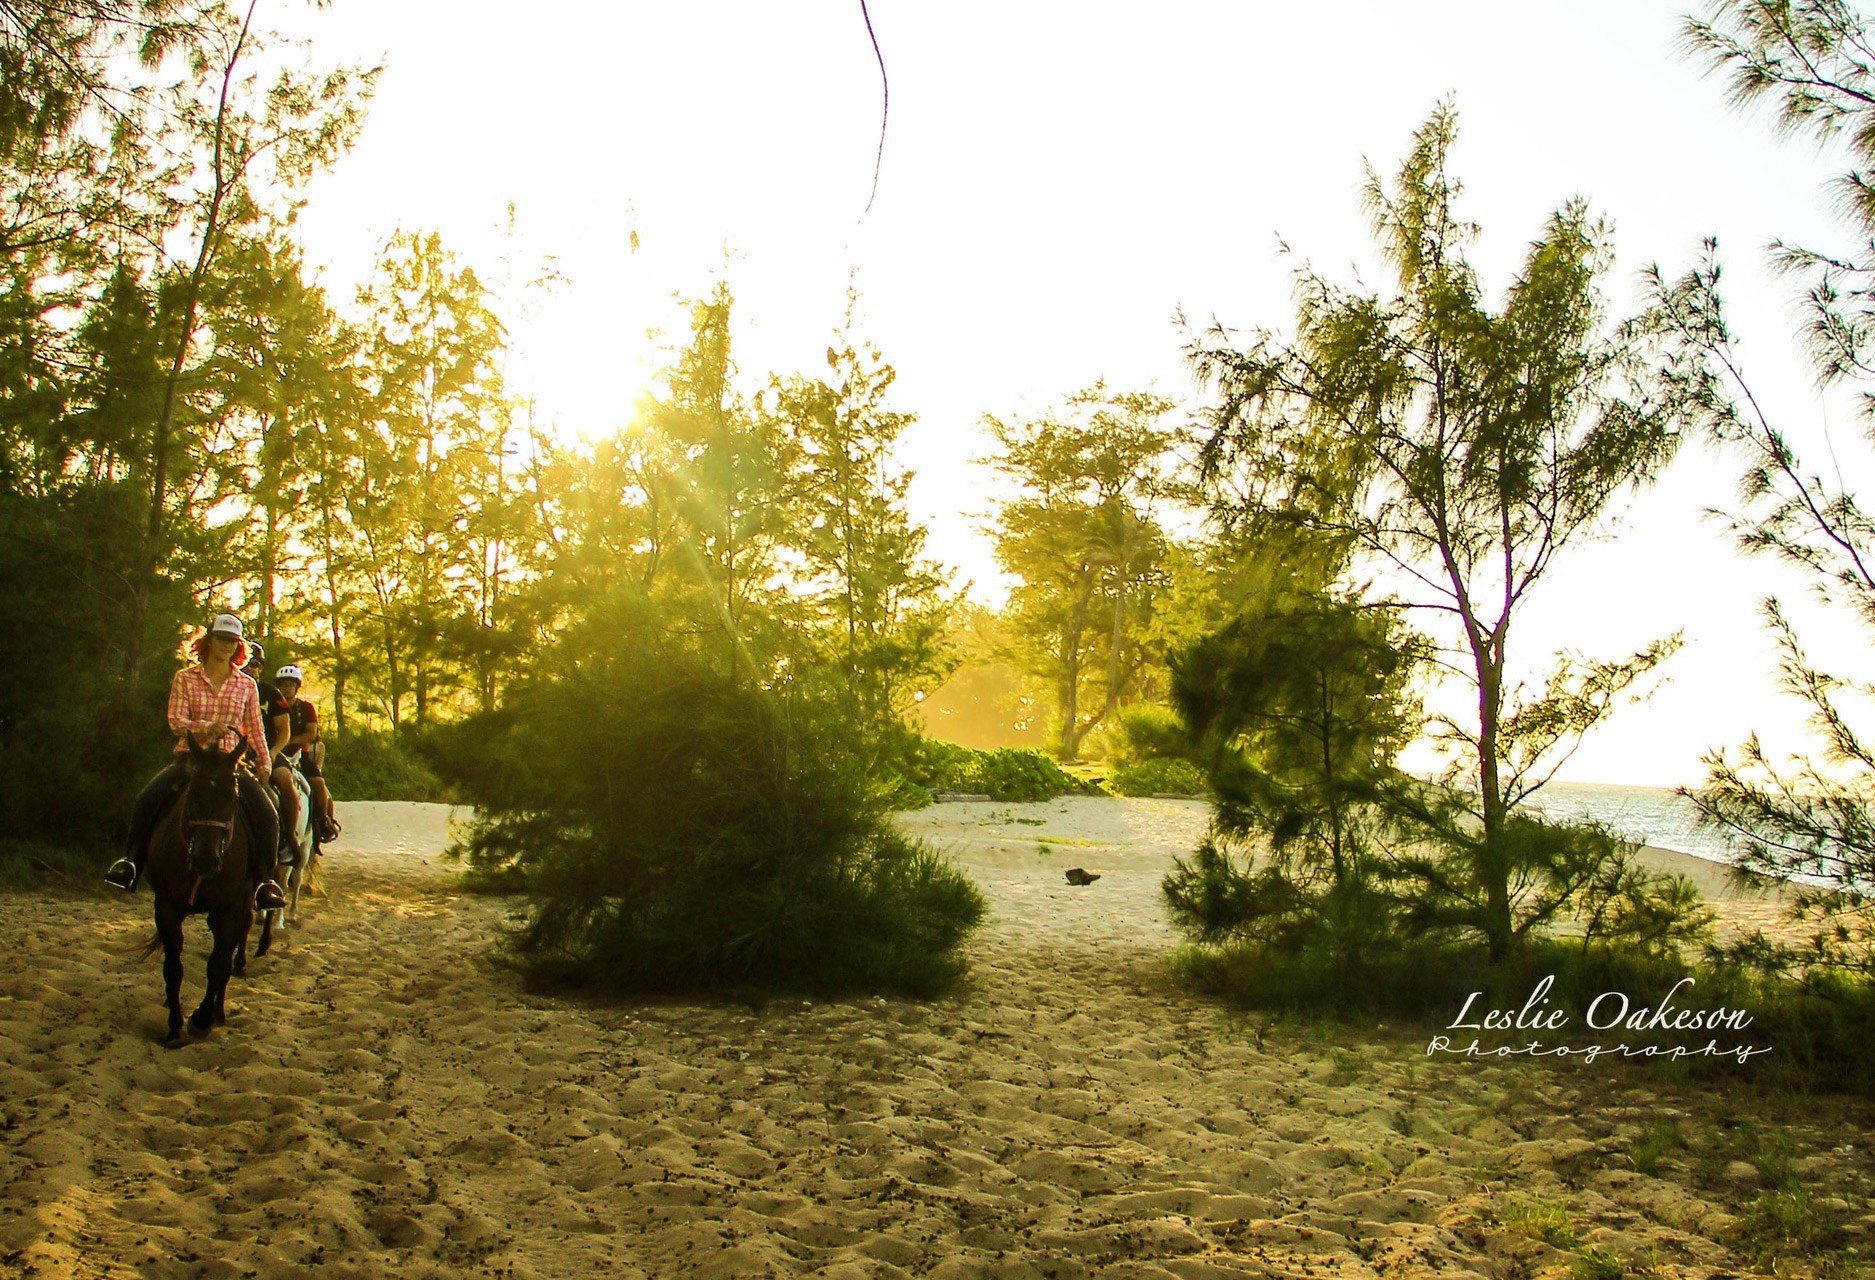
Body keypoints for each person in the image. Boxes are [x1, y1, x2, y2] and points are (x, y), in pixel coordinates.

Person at [105, 614, 287, 911]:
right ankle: (130, 863)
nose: (226, 645)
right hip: (192, 760)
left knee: (268, 813)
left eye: (232, 641)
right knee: (147, 797)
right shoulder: (185, 678)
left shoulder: (246, 685)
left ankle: (265, 881)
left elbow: (255, 728)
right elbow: (176, 722)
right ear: (209, 640)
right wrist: (206, 726)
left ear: (238, 646)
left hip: (231, 764)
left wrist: (264, 764)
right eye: (221, 639)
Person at [243, 641, 299, 853]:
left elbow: (284, 731)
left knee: (285, 781)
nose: (251, 667)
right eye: (247, 663)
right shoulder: (231, 690)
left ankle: (290, 836)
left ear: (261, 667)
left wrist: (273, 752)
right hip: (237, 753)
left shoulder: (271, 694)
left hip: (267, 751)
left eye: (256, 663)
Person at [274, 664, 338, 842]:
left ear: (296, 687)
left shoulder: (306, 708)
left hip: (297, 755)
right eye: (283, 685)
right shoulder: (272, 706)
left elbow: (311, 733)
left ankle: (323, 821)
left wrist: (290, 740)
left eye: (290, 685)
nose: (286, 689)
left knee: (318, 783)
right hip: (273, 753)